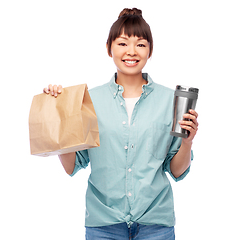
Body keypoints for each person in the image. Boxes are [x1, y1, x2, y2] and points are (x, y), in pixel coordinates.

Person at [43, 8, 199, 240]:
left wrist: (187, 143)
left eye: (141, 44)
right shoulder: (89, 100)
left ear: (150, 51)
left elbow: (176, 170)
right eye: (123, 43)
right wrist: (59, 110)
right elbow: (72, 165)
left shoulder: (171, 100)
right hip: (103, 225)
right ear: (109, 48)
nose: (131, 52)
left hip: (155, 225)